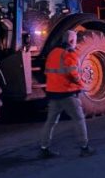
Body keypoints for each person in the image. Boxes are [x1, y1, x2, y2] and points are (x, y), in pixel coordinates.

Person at [39, 30, 95, 158]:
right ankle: (84, 147)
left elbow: (48, 72)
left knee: (51, 122)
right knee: (79, 119)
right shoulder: (69, 54)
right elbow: (73, 74)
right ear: (71, 41)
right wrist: (82, 85)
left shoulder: (52, 53)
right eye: (75, 41)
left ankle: (44, 148)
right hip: (67, 94)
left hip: (53, 93)